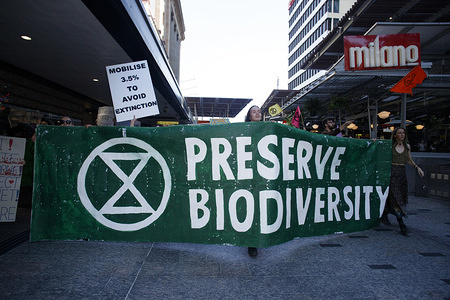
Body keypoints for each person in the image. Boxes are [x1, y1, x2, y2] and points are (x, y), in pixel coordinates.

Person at [380, 127, 424, 235]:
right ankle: (401, 223)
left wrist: (417, 167)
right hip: (392, 172)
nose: (402, 135)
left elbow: (409, 159)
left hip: (401, 173)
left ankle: (385, 213)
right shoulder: (390, 145)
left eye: (403, 133)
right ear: (395, 135)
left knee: (399, 196)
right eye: (399, 133)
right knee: (396, 197)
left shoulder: (407, 147)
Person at [245, 105, 262, 257]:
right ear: (249, 116)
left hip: (264, 176)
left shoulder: (267, 129)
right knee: (251, 208)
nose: (257, 113)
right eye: (254, 111)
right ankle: (252, 243)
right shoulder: (244, 130)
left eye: (259, 111)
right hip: (249, 177)